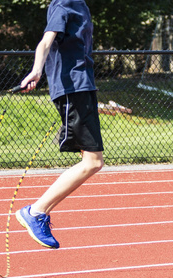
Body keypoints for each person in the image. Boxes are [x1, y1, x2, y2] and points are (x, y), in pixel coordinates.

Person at [15, 0, 104, 249]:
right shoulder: (63, 5)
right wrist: (36, 71)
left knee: (93, 162)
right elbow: (46, 41)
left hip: (83, 86)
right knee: (93, 162)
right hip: (73, 88)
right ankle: (35, 212)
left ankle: (37, 212)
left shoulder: (81, 5)